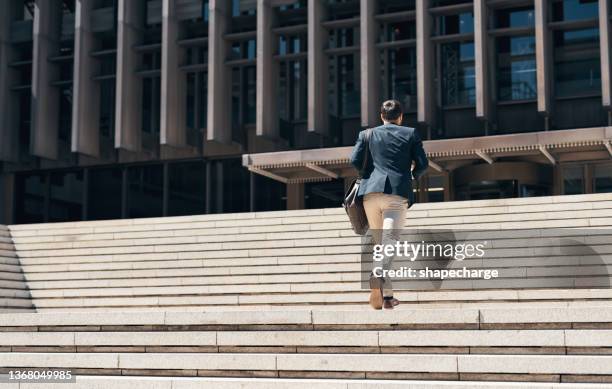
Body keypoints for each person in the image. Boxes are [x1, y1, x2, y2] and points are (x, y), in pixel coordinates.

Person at [350, 99, 428, 310]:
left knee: (381, 246)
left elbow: (354, 161)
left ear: (381, 116)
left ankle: (387, 297)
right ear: (400, 117)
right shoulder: (410, 133)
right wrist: (411, 175)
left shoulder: (366, 134)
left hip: (370, 194)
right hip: (396, 193)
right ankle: (378, 275)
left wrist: (369, 175)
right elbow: (423, 164)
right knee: (390, 243)